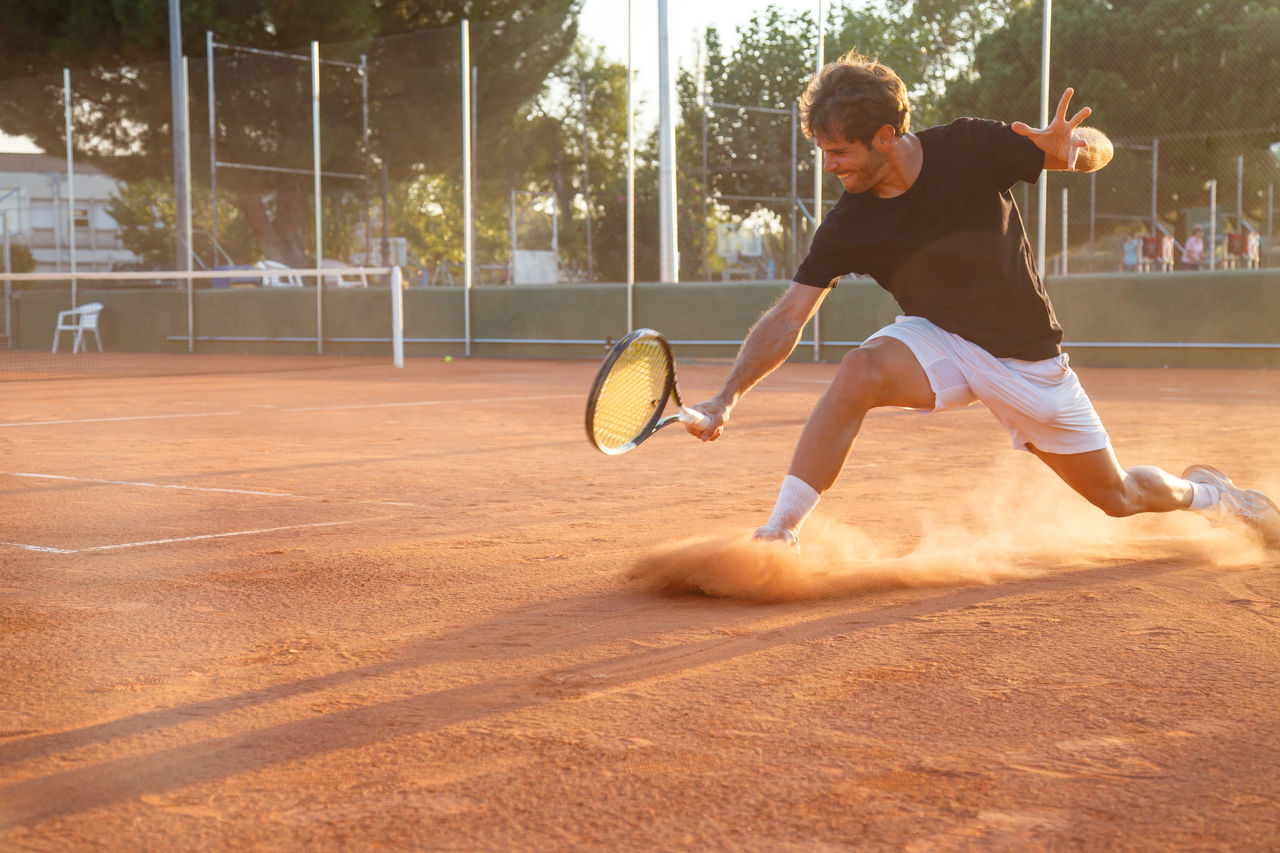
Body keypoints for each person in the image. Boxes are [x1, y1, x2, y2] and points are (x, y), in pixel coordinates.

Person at [683, 50, 1280, 550]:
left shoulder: (969, 147)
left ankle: (1211, 495)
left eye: (838, 152)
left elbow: (1098, 152)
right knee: (859, 370)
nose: (829, 165)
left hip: (1028, 360)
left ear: (885, 137)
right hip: (939, 337)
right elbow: (790, 314)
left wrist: (1074, 147)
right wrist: (725, 396)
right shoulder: (848, 224)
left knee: (1118, 497)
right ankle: (779, 535)